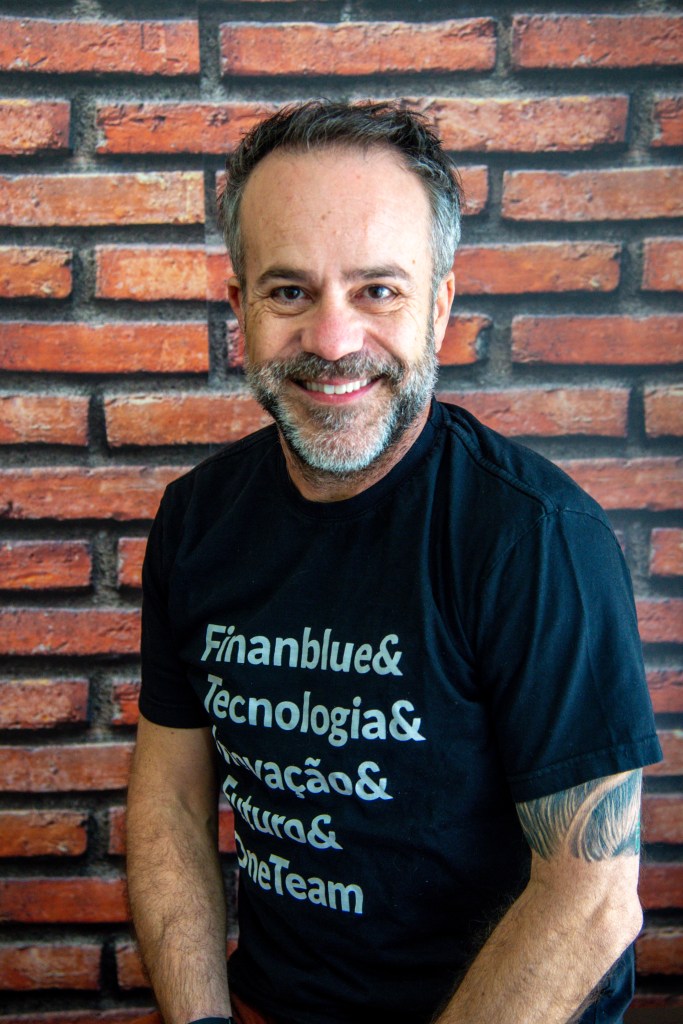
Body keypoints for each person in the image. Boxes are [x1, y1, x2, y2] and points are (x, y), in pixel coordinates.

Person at [126, 101, 662, 1024]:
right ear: (239, 307)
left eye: (378, 290)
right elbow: (170, 800)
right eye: (289, 293)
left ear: (439, 307)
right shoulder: (196, 519)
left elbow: (590, 900)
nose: (333, 342)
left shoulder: (535, 537)